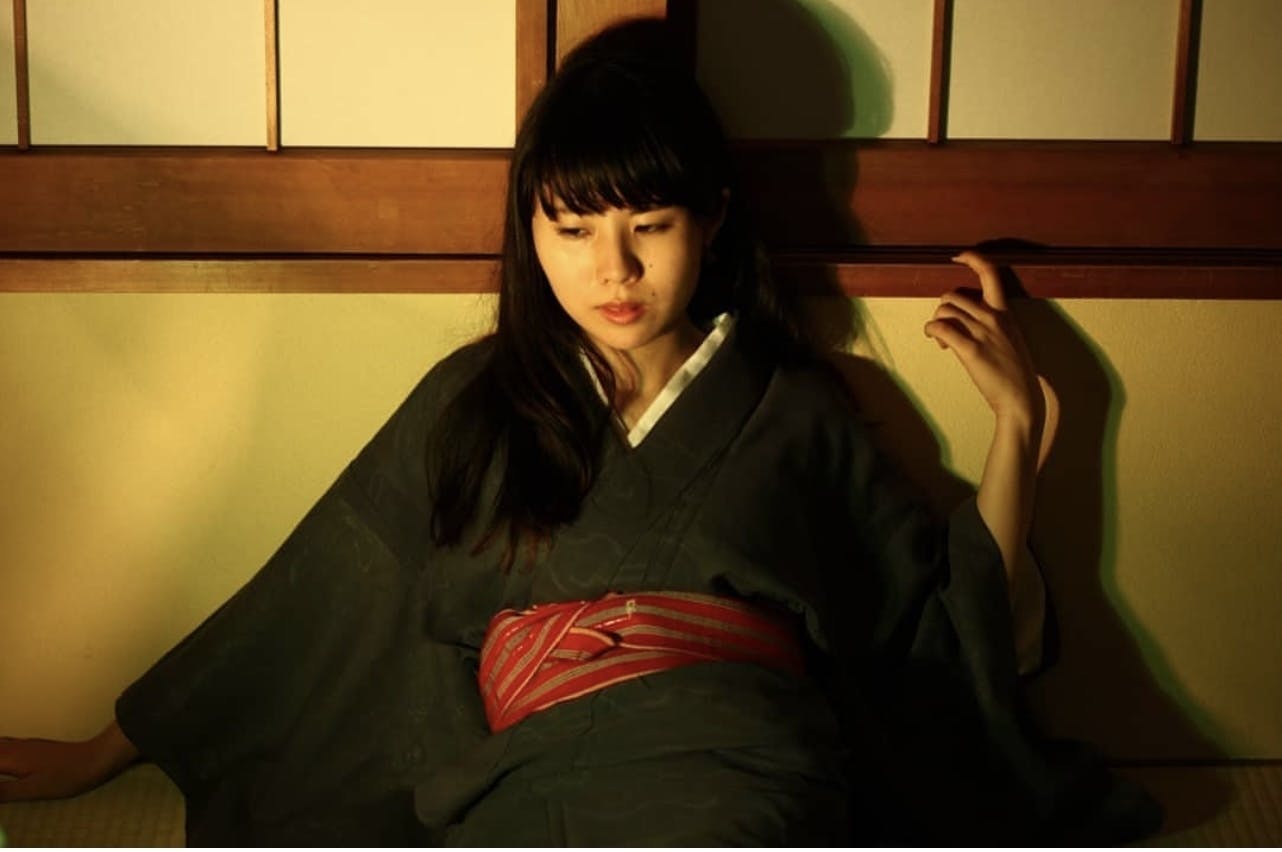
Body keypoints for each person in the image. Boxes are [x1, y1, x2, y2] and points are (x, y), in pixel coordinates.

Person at [0, 19, 1157, 846]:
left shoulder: (798, 406)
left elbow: (936, 637)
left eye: (649, 224)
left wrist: (1020, 427)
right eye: (572, 230)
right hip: (529, 775)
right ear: (529, 232)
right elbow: (323, 589)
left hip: (743, 766)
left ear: (712, 221)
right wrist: (112, 745)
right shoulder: (472, 402)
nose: (613, 271)